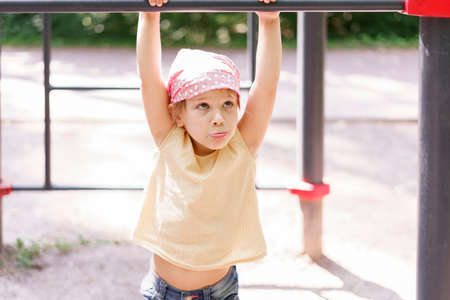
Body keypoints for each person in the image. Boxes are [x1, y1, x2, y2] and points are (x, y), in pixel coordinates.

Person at [132, 0, 281, 299]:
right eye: (203, 106)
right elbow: (149, 80)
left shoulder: (241, 146)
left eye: (228, 104)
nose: (218, 117)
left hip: (220, 291)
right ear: (179, 115)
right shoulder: (170, 139)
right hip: (163, 291)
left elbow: (266, 87)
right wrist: (149, 15)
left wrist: (270, 22)